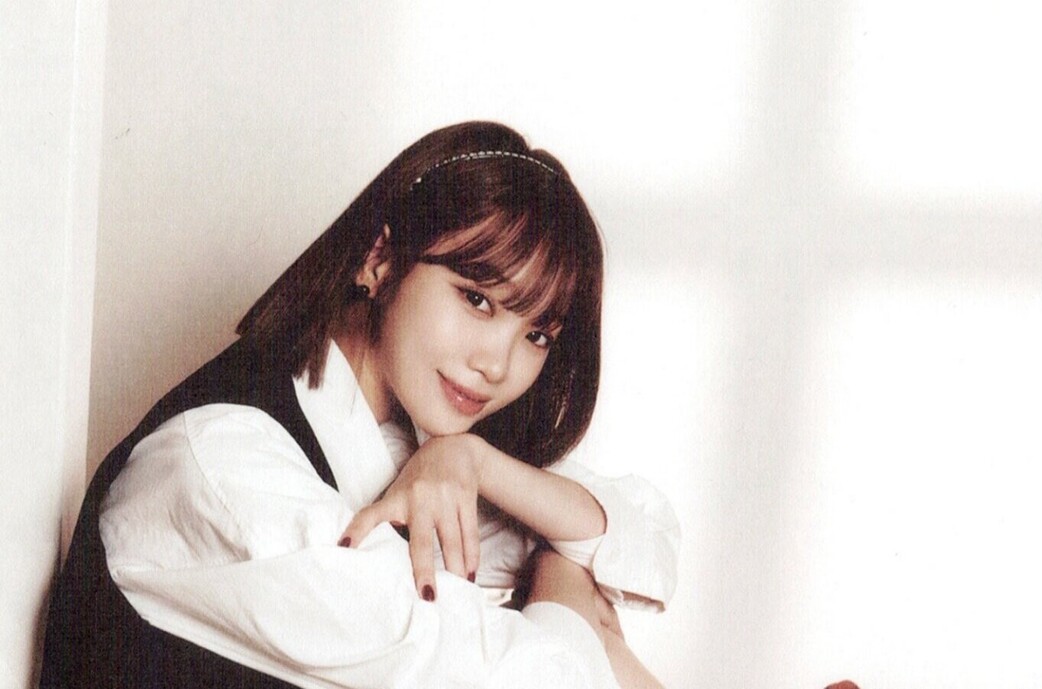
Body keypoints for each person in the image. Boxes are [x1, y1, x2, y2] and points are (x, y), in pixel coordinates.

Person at [41, 122, 679, 689]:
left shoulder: (405, 445)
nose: (498, 365)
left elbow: (642, 531)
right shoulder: (219, 466)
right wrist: (565, 586)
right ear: (380, 260)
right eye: (477, 299)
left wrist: (475, 463)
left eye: (537, 334)